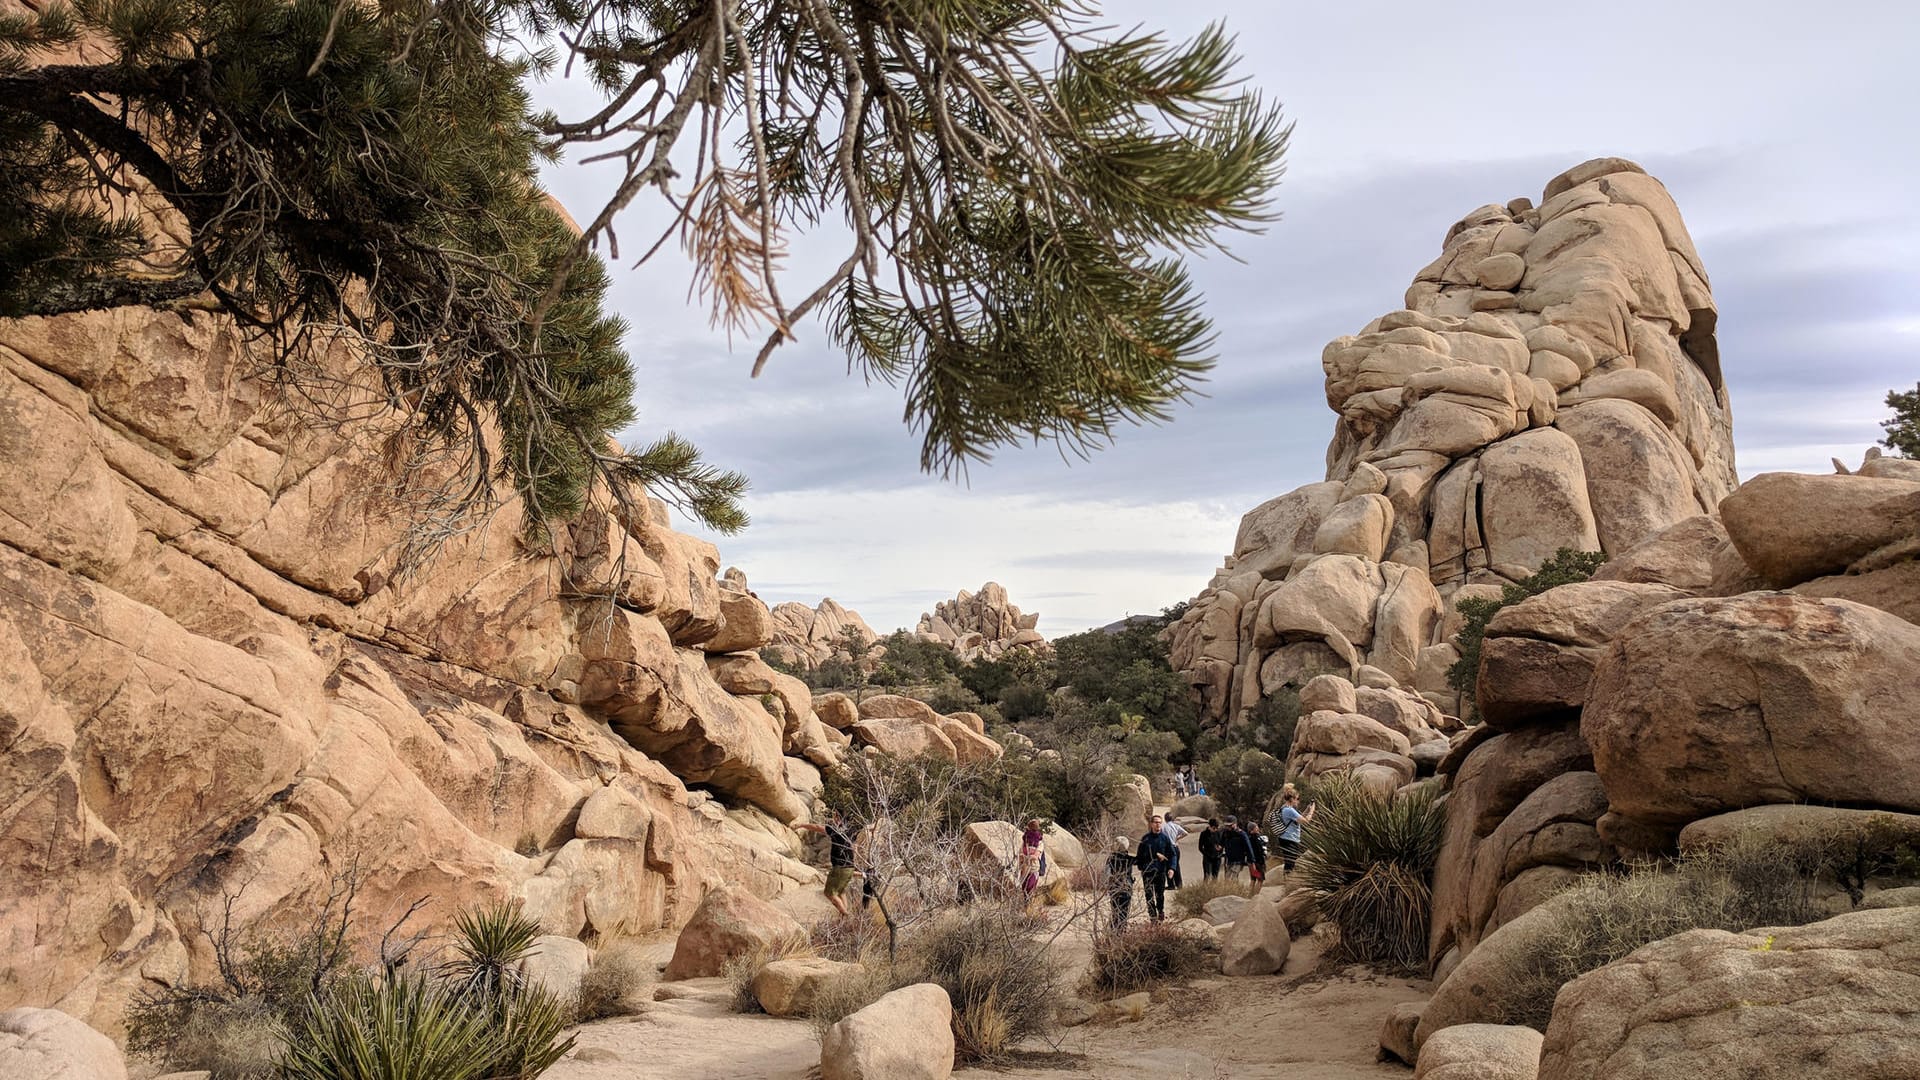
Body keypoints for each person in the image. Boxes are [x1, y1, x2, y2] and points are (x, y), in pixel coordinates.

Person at [795, 811, 861, 916]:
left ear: (838, 818)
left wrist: (801, 825)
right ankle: (844, 917)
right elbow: (855, 848)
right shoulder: (852, 830)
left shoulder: (835, 829)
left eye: (834, 816)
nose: (833, 818)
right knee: (840, 891)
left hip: (839, 867)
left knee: (829, 893)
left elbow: (817, 827)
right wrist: (853, 862)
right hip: (849, 866)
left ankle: (845, 914)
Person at [1136, 814, 1177, 921]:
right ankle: (1152, 916)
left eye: (1160, 822)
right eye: (1156, 822)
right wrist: (1143, 866)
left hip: (1160, 871)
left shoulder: (1165, 838)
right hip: (1148, 871)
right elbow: (1140, 855)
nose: (1158, 824)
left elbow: (1173, 854)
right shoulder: (1145, 839)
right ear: (1151, 824)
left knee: (1160, 895)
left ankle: (1160, 911)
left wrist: (1172, 868)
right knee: (1149, 895)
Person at [1271, 786, 1316, 875]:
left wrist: (1307, 809)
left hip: (1286, 838)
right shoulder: (1289, 810)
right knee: (1290, 863)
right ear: (1291, 799)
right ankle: (1287, 883)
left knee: (1289, 862)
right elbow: (1305, 821)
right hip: (1289, 839)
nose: (1298, 801)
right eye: (1297, 799)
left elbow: (1298, 819)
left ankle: (1287, 881)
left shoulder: (1285, 808)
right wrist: (1312, 810)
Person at [1105, 835, 1137, 930]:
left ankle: (1114, 930)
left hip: (1114, 887)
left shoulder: (1111, 858)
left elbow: (1106, 874)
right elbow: (1143, 862)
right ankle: (1121, 931)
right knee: (1124, 911)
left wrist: (1106, 885)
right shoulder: (1129, 859)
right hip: (1126, 887)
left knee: (1115, 910)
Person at [1158, 814, 1189, 890]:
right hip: (1175, 847)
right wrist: (1177, 838)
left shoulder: (1163, 827)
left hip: (1167, 848)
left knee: (1168, 866)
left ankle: (1171, 884)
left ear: (1165, 819)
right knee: (1176, 865)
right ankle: (1179, 884)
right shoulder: (1176, 826)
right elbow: (1186, 833)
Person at [1018, 818, 1047, 897]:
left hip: (1034, 868)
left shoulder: (1039, 843)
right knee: (1024, 888)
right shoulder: (1025, 841)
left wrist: (1025, 856)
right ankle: (1026, 906)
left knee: (1030, 887)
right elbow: (1020, 852)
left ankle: (1029, 906)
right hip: (1024, 867)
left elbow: (1036, 855)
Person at [1220, 814, 1252, 879]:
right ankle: (1234, 889)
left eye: (1230, 825)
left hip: (1238, 860)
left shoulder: (1241, 834)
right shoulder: (1225, 833)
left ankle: (1235, 888)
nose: (1228, 827)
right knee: (1227, 879)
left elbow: (1249, 847)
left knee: (1233, 878)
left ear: (1235, 824)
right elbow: (1221, 843)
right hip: (1229, 860)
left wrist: (1251, 860)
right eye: (1227, 825)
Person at [1244, 817, 1270, 891]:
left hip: (1251, 862)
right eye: (1256, 827)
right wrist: (1262, 862)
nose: (1258, 828)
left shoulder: (1248, 838)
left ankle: (1250, 893)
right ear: (1253, 829)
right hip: (1257, 862)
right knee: (1260, 879)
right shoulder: (1255, 838)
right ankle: (1256, 895)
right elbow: (1259, 851)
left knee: (1253, 878)